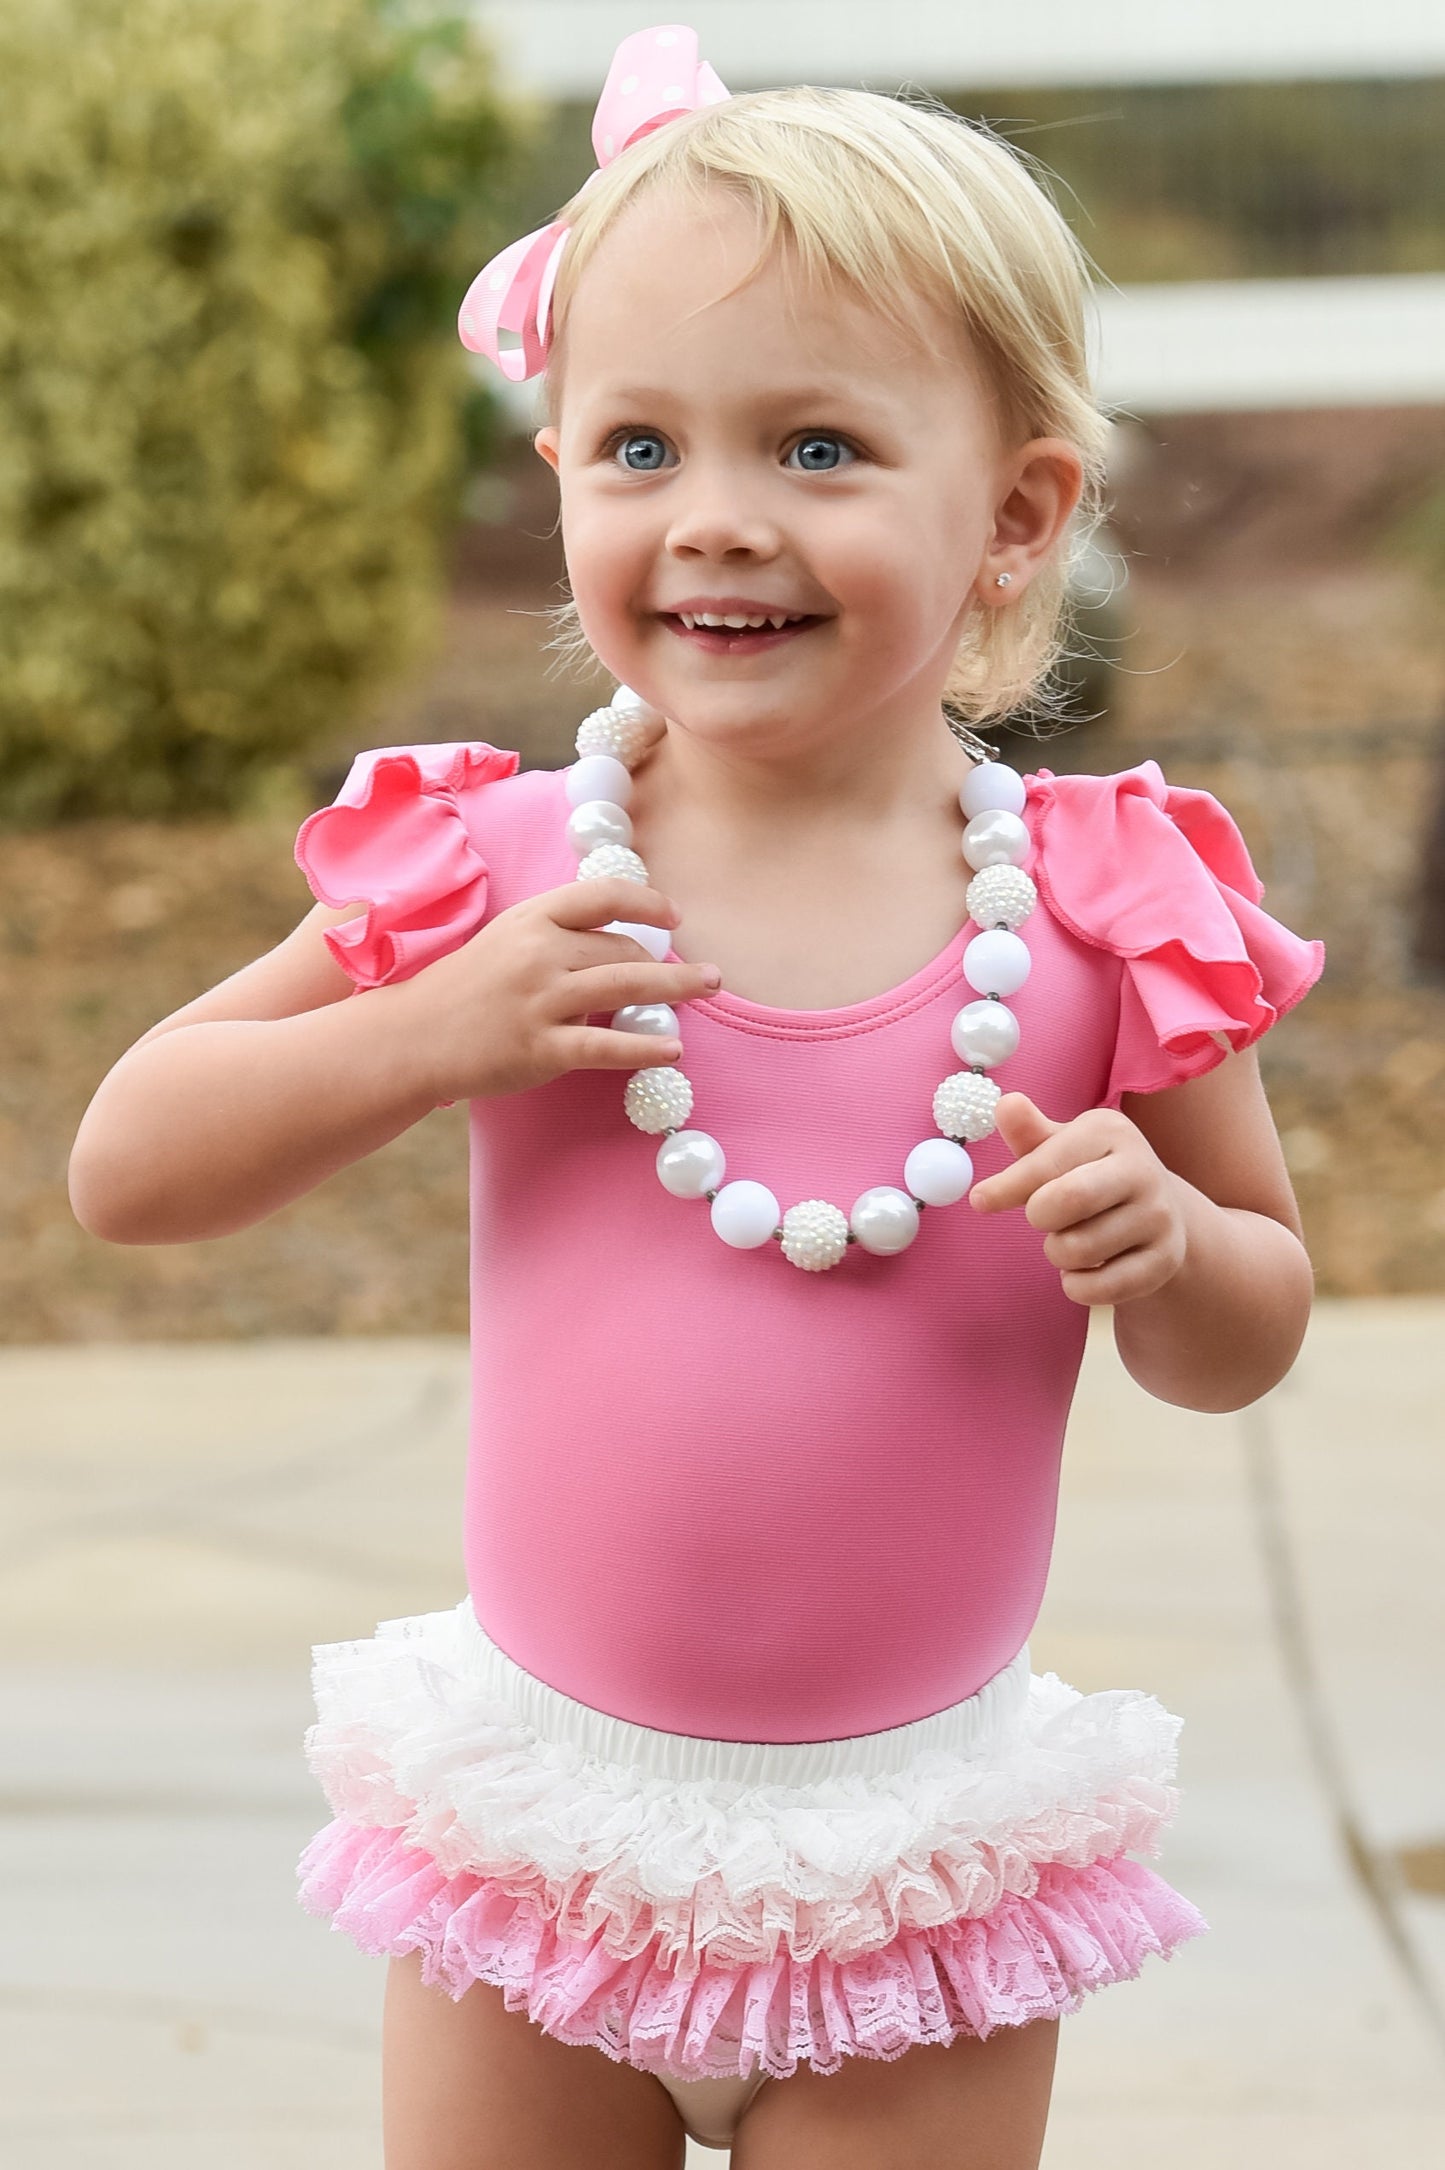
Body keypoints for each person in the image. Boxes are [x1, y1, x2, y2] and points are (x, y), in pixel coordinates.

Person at [68, 25, 1328, 2170]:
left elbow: (1251, 1328)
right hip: (536, 1844)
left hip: (914, 1857)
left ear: (1015, 513)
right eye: (636, 446)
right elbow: (129, 1163)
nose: (714, 521)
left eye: (819, 448)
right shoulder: (502, 871)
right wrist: (432, 1029)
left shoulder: (1111, 902)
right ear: (556, 463)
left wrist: (1177, 1247)